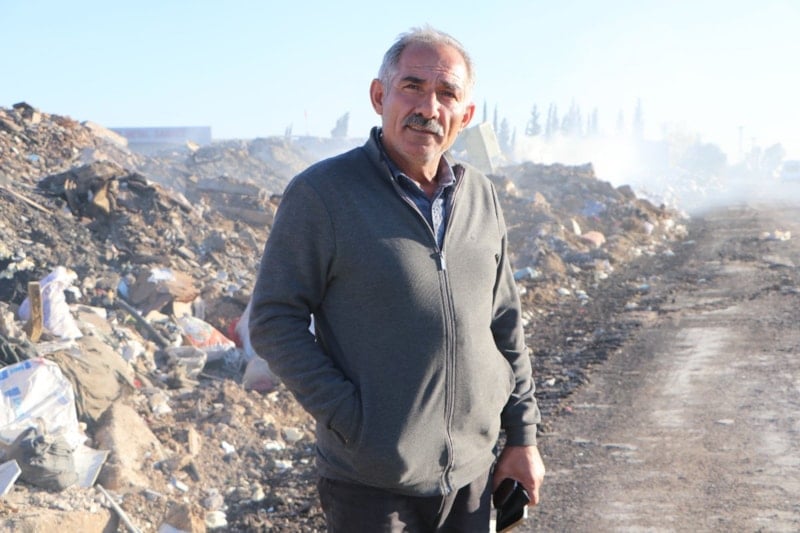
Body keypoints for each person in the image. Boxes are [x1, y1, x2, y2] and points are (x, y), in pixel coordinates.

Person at [249, 25, 545, 531]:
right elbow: (275, 319)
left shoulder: (480, 196)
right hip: (372, 487)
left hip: (473, 477)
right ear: (379, 96)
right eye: (412, 86)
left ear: (466, 115)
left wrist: (522, 438)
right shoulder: (324, 195)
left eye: (447, 93)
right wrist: (355, 421)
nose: (428, 107)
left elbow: (504, 324)